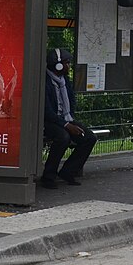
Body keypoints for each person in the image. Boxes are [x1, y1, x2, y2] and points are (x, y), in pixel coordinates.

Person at [40, 48, 96, 188]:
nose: (69, 66)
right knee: (63, 137)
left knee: (89, 138)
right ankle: (48, 176)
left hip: (66, 118)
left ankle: (68, 171)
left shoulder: (65, 80)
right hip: (49, 121)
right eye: (66, 63)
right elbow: (47, 111)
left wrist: (70, 121)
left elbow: (71, 100)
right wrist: (66, 125)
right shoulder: (45, 82)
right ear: (57, 65)